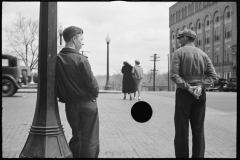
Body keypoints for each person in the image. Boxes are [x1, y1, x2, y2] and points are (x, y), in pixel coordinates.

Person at [170, 29, 217, 158]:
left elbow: (174, 75)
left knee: (181, 129)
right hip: (200, 94)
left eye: (180, 38)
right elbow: (213, 75)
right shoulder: (203, 54)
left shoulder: (178, 53)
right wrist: (201, 86)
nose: (178, 40)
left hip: (184, 94)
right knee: (198, 129)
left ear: (185, 38)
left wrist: (188, 87)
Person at [55, 26, 100, 158]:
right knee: (90, 139)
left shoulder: (57, 59)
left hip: (70, 106)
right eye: (81, 39)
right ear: (74, 39)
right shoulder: (81, 59)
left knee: (77, 135)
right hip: (87, 104)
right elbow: (93, 85)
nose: (83, 42)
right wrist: (94, 95)